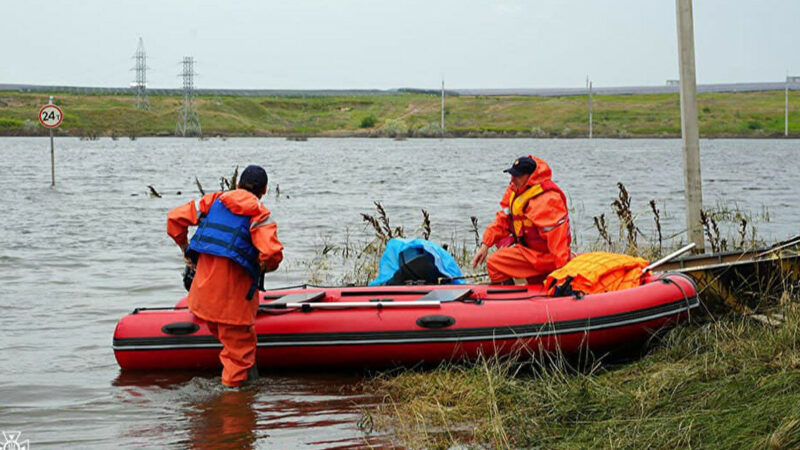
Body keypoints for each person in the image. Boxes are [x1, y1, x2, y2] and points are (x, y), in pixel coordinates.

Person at [167, 165, 283, 388]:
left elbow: (174, 219)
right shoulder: (259, 214)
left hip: (202, 299)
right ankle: (234, 410)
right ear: (265, 190)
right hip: (233, 305)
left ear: (238, 184)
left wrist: (185, 248)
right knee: (238, 357)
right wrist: (263, 267)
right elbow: (271, 254)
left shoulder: (212, 201)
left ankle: (237, 394)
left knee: (234, 348)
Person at [471, 155, 571, 284]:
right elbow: (502, 222)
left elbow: (558, 242)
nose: (512, 179)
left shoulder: (547, 200)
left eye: (517, 176)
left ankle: (512, 299)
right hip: (529, 253)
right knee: (496, 263)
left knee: (495, 262)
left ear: (529, 177)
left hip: (547, 258)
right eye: (512, 175)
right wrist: (485, 245)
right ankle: (515, 298)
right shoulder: (515, 192)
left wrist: (563, 275)